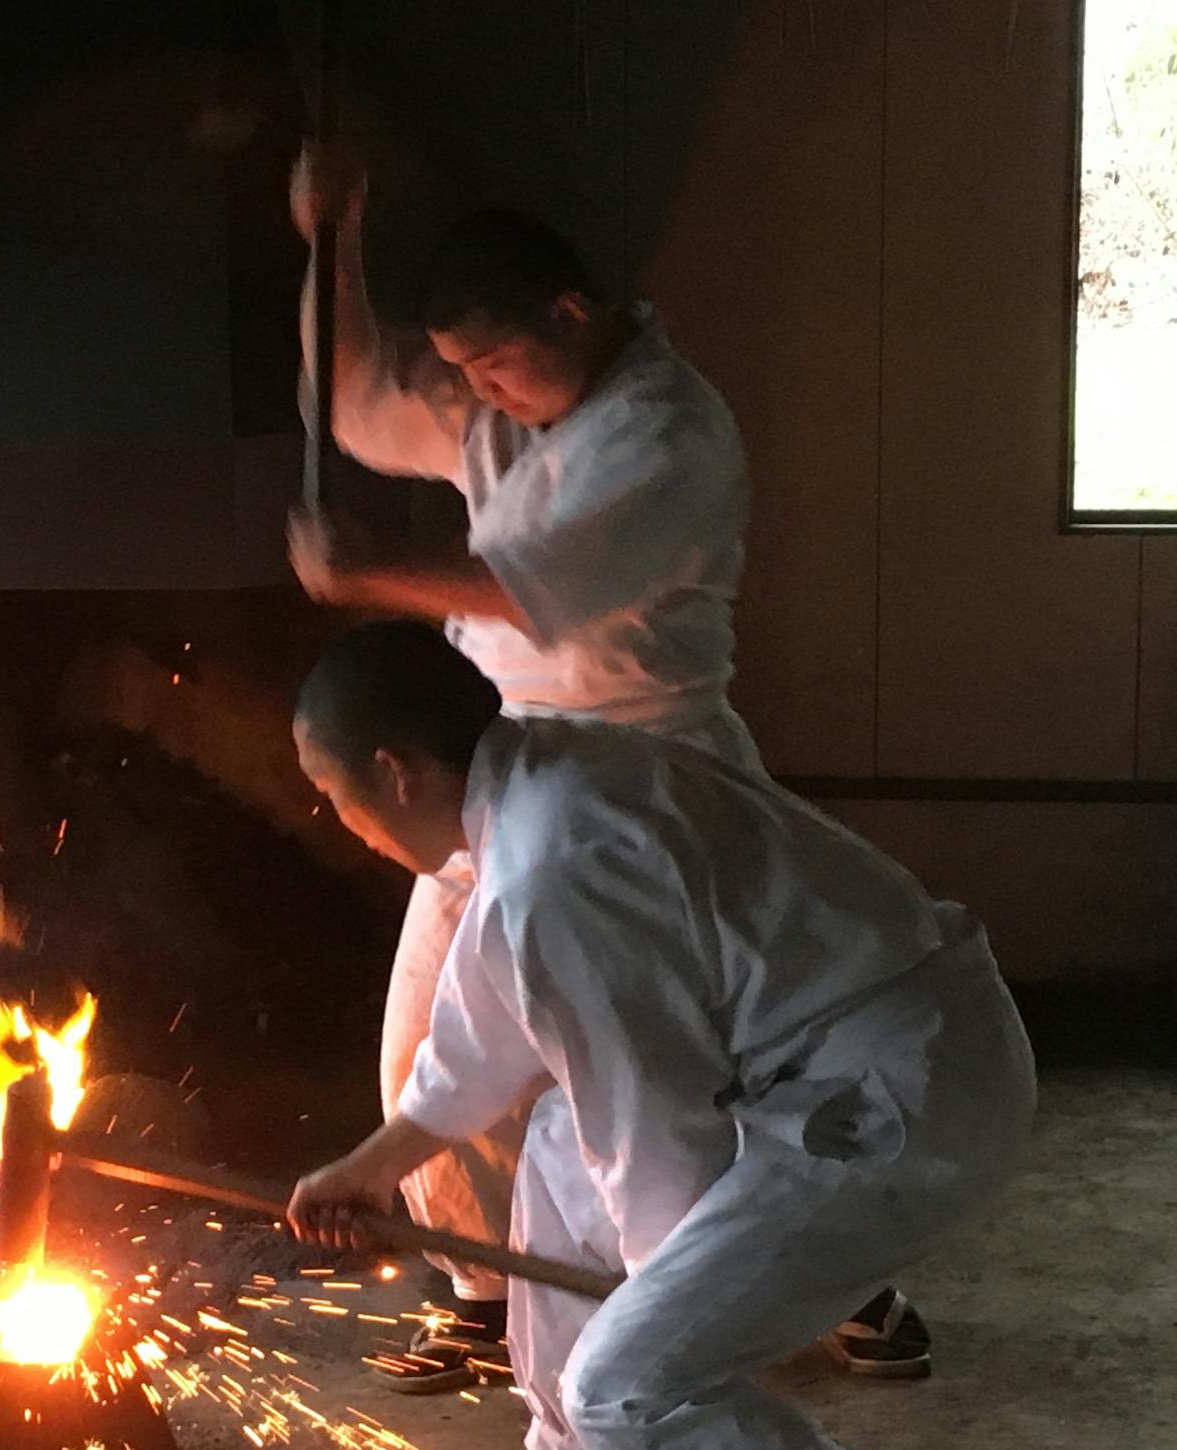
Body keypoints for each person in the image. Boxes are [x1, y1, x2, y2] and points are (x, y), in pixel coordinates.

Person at [290, 151, 927, 1381]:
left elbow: (544, 593)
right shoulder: (496, 405)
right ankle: (482, 1293)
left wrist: (362, 577)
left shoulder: (669, 432)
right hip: (502, 768)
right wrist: (333, 240)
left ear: (570, 314)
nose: (476, 391)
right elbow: (362, 403)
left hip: (656, 774)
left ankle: (845, 1274)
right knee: (427, 1040)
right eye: (463, 370)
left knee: (703, 1066)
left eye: (494, 363)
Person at [285, 623, 1035, 1450]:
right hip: (858, 1046)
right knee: (554, 1144)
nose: (339, 820)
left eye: (331, 795)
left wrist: (670, 1307)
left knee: (632, 1390)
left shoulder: (553, 858)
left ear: (395, 771)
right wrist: (376, 1166)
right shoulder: (545, 775)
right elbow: (493, 1025)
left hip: (901, 1096)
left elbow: (653, 1132)